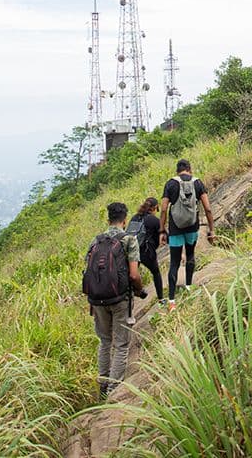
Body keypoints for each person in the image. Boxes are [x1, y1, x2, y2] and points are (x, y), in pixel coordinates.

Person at [83, 201, 144, 398]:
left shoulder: (96, 240)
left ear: (108, 219)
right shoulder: (129, 240)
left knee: (105, 341)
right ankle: (113, 390)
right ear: (125, 220)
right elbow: (134, 274)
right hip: (120, 299)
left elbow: (89, 270)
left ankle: (102, 384)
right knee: (121, 344)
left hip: (97, 299)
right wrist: (140, 290)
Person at [158, 159, 215, 312]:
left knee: (174, 263)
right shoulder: (198, 183)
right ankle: (189, 287)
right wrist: (212, 229)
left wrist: (162, 230)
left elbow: (163, 209)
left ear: (177, 170)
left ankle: (171, 301)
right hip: (192, 227)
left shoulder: (170, 184)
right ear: (189, 169)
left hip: (176, 229)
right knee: (190, 256)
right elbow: (208, 208)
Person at [126, 198, 163, 323]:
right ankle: (161, 300)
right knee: (156, 273)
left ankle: (130, 311)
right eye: (157, 209)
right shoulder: (154, 220)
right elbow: (163, 235)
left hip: (132, 253)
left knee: (130, 279)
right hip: (146, 252)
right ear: (154, 207)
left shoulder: (134, 218)